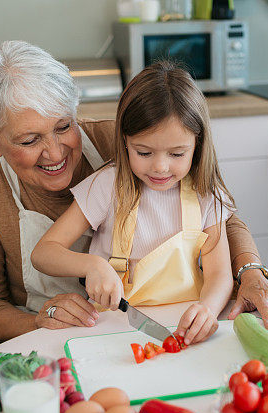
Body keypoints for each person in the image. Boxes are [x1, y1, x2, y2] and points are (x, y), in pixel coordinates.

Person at [0, 40, 268, 351]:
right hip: (51, 334)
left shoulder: (126, 141)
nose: (55, 153)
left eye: (64, 127)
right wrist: (40, 322)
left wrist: (250, 274)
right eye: (29, 141)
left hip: (154, 326)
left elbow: (222, 221)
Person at [32, 62, 235, 344]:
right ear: (125, 140)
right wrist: (92, 265)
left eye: (177, 154)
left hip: (184, 328)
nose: (160, 167)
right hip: (111, 331)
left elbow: (220, 274)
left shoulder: (205, 195)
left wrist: (208, 309)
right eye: (144, 152)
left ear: (197, 145)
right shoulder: (107, 187)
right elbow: (43, 253)